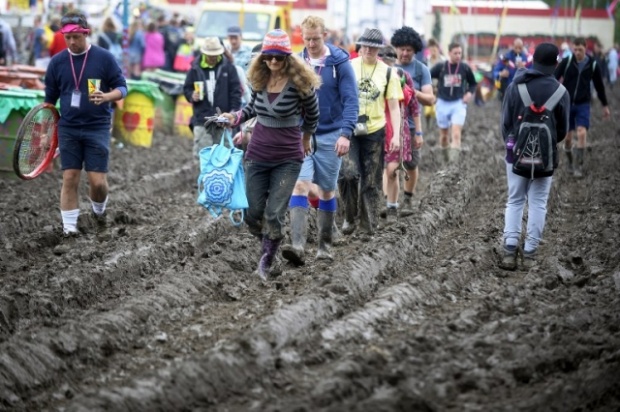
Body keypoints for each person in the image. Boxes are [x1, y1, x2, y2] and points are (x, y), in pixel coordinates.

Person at [219, 29, 320, 279]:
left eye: (278, 57)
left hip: (288, 157)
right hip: (258, 154)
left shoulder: (300, 84)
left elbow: (313, 115)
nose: (273, 62)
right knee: (252, 213)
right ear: (263, 58)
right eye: (269, 57)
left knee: (273, 213)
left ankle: (266, 261)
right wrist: (234, 117)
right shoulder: (260, 79)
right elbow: (251, 108)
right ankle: (270, 237)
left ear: (287, 57)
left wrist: (306, 138)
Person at [43, 12, 127, 247]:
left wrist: (107, 96)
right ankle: (69, 230)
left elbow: (122, 87)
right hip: (68, 127)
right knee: (70, 177)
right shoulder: (57, 62)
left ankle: (99, 212)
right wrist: (46, 131)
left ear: (85, 33)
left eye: (76, 37)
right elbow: (49, 101)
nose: (72, 42)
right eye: (68, 37)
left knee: (98, 182)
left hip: (97, 126)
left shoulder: (104, 58)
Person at [280, 15, 358, 266]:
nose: (311, 44)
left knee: (326, 190)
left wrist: (346, 133)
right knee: (300, 186)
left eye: (316, 38)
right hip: (302, 135)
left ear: (324, 35)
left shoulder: (339, 63)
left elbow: (351, 100)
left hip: (330, 134)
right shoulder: (296, 62)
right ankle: (298, 245)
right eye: (307, 39)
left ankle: (324, 246)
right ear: (301, 37)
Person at [499, 43, 569, 270]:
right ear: (555, 64)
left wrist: (514, 144)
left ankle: (509, 250)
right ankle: (530, 253)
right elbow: (562, 131)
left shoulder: (515, 86)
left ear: (533, 60)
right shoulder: (561, 92)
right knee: (538, 202)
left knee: (515, 199)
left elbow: (506, 124)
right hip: (545, 158)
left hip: (515, 154)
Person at [338, 27, 403, 238]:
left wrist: (395, 135)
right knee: (348, 174)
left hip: (375, 130)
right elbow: (339, 97)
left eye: (373, 47)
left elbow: (394, 107)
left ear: (379, 49)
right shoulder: (349, 67)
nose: (368, 50)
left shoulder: (388, 72)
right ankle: (349, 216)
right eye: (365, 46)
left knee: (371, 180)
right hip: (350, 129)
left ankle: (368, 225)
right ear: (360, 46)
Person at [390, 26, 435, 216]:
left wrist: (410, 90)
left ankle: (408, 198)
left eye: (409, 50)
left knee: (411, 164)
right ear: (396, 48)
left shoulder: (420, 69)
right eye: (401, 49)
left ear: (415, 50)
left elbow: (430, 99)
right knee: (390, 165)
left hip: (410, 124)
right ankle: (389, 203)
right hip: (389, 125)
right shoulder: (389, 67)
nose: (405, 53)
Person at [553, 37, 610, 177]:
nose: (577, 52)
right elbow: (554, 78)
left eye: (580, 50)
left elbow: (599, 86)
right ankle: (570, 162)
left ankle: (579, 165)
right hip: (566, 103)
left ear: (586, 48)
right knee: (567, 138)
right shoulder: (567, 62)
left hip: (583, 103)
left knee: (582, 132)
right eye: (575, 49)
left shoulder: (592, 64)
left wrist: (605, 105)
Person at [379, 45, 422, 224]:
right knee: (379, 169)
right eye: (383, 59)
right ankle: (385, 201)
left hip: (398, 128)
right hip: (375, 127)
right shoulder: (373, 76)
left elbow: (414, 107)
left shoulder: (403, 77)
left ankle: (391, 207)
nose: (386, 62)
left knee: (392, 169)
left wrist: (418, 132)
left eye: (390, 59)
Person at [183, 37, 241, 159]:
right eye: (210, 55)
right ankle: (205, 178)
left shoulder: (228, 67)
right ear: (204, 53)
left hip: (223, 120)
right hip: (202, 118)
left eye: (215, 55)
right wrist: (192, 95)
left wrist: (232, 113)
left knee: (224, 156)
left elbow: (236, 92)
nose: (213, 58)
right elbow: (186, 88)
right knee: (203, 155)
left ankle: (222, 178)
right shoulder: (195, 68)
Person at [429, 42, 477, 162]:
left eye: (460, 53)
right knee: (444, 136)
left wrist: (469, 94)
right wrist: (431, 92)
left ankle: (453, 164)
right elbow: (426, 78)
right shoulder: (441, 67)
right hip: (442, 103)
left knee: (456, 134)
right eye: (455, 53)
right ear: (449, 53)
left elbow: (473, 84)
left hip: (458, 104)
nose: (458, 55)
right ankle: (445, 159)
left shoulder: (465, 68)